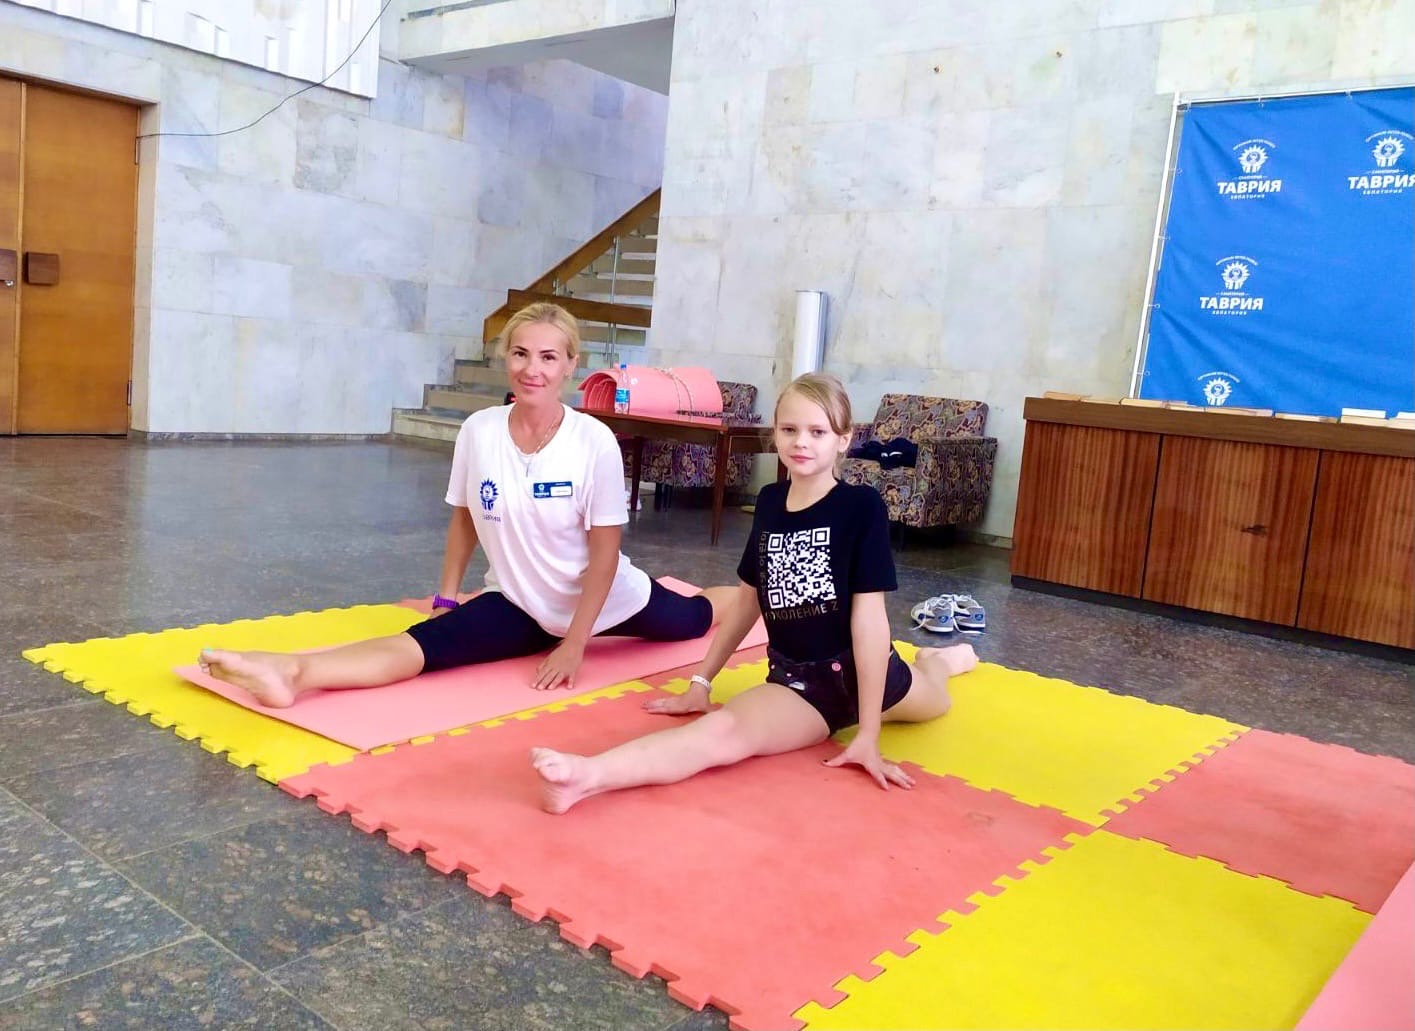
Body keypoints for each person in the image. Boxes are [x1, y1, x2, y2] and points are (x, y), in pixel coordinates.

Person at [198, 302, 736, 707]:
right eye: (521, 354)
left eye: (549, 357)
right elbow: (464, 517)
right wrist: (447, 596)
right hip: (520, 602)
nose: (532, 369)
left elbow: (605, 554)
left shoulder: (593, 441)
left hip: (606, 601)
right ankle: (293, 673)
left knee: (693, 618)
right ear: (507, 358)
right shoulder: (479, 430)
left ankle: (745, 597)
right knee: (423, 645)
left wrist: (576, 643)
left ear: (571, 365)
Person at [531, 372, 977, 813]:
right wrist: (700, 684)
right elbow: (748, 600)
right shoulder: (769, 502)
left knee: (936, 697)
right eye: (790, 430)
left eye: (817, 432)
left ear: (843, 439)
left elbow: (870, 619)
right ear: (775, 434)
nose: (801, 442)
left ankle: (941, 661)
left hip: (872, 675)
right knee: (721, 732)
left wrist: (869, 733)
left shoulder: (861, 507)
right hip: (800, 685)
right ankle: (585, 777)